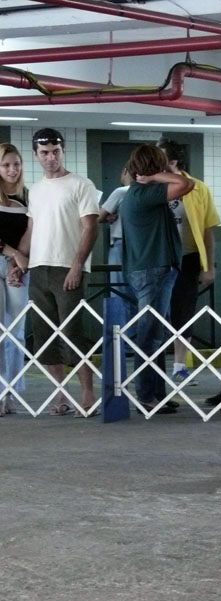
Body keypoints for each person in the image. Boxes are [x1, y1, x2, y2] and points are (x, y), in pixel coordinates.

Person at [20, 128, 100, 416]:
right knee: (43, 337)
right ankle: (60, 394)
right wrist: (19, 261)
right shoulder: (36, 190)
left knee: (71, 333)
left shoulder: (81, 184)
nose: (51, 157)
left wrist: (78, 264)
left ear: (63, 151)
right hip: (38, 269)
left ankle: (88, 393)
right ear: (36, 155)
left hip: (68, 267)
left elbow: (91, 227)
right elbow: (32, 230)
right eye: (45, 153)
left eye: (55, 151)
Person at [118, 144, 194, 414]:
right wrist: (156, 177)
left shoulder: (139, 194)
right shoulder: (145, 193)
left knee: (155, 333)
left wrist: (154, 176)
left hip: (152, 269)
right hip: (153, 269)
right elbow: (186, 183)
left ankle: (156, 392)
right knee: (150, 335)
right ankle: (147, 395)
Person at [158, 139, 220, 386]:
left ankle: (180, 366)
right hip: (159, 258)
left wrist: (209, 265)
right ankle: (155, 365)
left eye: (160, 158)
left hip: (188, 257)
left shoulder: (198, 189)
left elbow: (208, 231)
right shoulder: (151, 186)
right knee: (158, 313)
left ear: (173, 162)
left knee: (183, 312)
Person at [0, 143, 29, 415]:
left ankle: (12, 392)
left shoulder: (27, 196)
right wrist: (12, 254)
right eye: (6, 165)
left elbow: (32, 231)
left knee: (16, 333)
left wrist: (17, 262)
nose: (12, 169)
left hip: (18, 267)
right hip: (10, 258)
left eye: (16, 164)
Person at [97, 165, 130, 287]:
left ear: (125, 170)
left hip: (121, 244)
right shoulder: (145, 192)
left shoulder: (120, 192)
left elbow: (98, 217)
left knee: (119, 287)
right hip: (140, 246)